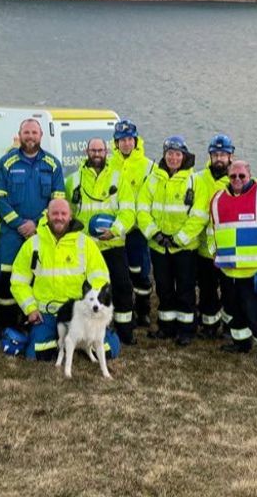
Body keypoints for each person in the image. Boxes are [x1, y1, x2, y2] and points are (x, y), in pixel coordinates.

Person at [9, 198, 109, 361]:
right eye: (55, 213)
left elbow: (101, 280)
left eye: (64, 213)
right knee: (36, 353)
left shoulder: (86, 244)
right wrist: (30, 309)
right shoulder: (33, 244)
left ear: (70, 216)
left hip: (79, 314)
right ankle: (67, 343)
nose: (59, 217)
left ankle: (75, 342)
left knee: (110, 348)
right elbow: (18, 281)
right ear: (47, 216)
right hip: (46, 315)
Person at [207, 161, 257, 364]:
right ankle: (240, 343)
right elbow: (211, 231)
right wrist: (213, 252)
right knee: (233, 313)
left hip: (253, 273)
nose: (237, 180)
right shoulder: (217, 200)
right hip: (228, 272)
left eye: (242, 176)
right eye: (233, 176)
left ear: (250, 175)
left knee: (255, 315)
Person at [0, 118, 66, 332]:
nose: (30, 136)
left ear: (41, 136)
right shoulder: (6, 162)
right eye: (26, 132)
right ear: (20, 134)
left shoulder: (52, 164)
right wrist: (19, 223)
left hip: (41, 232)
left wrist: (36, 223)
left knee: (36, 277)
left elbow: (57, 199)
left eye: (34, 132)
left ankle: (31, 323)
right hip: (11, 232)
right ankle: (5, 325)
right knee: (6, 277)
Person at [66, 137, 137, 343]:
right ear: (86, 152)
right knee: (86, 290)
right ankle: (87, 331)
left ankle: (125, 331)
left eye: (100, 150)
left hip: (112, 244)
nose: (97, 154)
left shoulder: (118, 178)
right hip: (85, 247)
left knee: (122, 286)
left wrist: (115, 230)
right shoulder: (73, 180)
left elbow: (128, 211)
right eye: (93, 150)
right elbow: (66, 211)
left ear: (106, 152)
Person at [137, 135, 206, 345]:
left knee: (185, 288)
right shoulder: (153, 179)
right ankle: (167, 326)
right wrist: (154, 234)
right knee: (164, 288)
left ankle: (186, 329)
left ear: (184, 156)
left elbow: (199, 216)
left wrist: (179, 239)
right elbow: (142, 210)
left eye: (177, 154)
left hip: (183, 248)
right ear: (164, 155)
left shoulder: (195, 181)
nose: (173, 158)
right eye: (169, 154)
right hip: (159, 246)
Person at [106, 119, 155, 328]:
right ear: (115, 143)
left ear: (135, 141)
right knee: (119, 273)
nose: (126, 144)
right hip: (116, 229)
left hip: (136, 230)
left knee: (140, 272)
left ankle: (143, 310)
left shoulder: (149, 166)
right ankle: (122, 308)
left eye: (129, 139)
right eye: (121, 140)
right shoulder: (109, 164)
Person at [188, 133, 236, 338]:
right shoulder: (197, 178)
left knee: (229, 292)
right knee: (207, 291)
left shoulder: (239, 180)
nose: (219, 158)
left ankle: (229, 326)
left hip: (229, 248)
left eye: (223, 154)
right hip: (204, 249)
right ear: (209, 155)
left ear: (230, 156)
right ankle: (209, 325)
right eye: (215, 154)